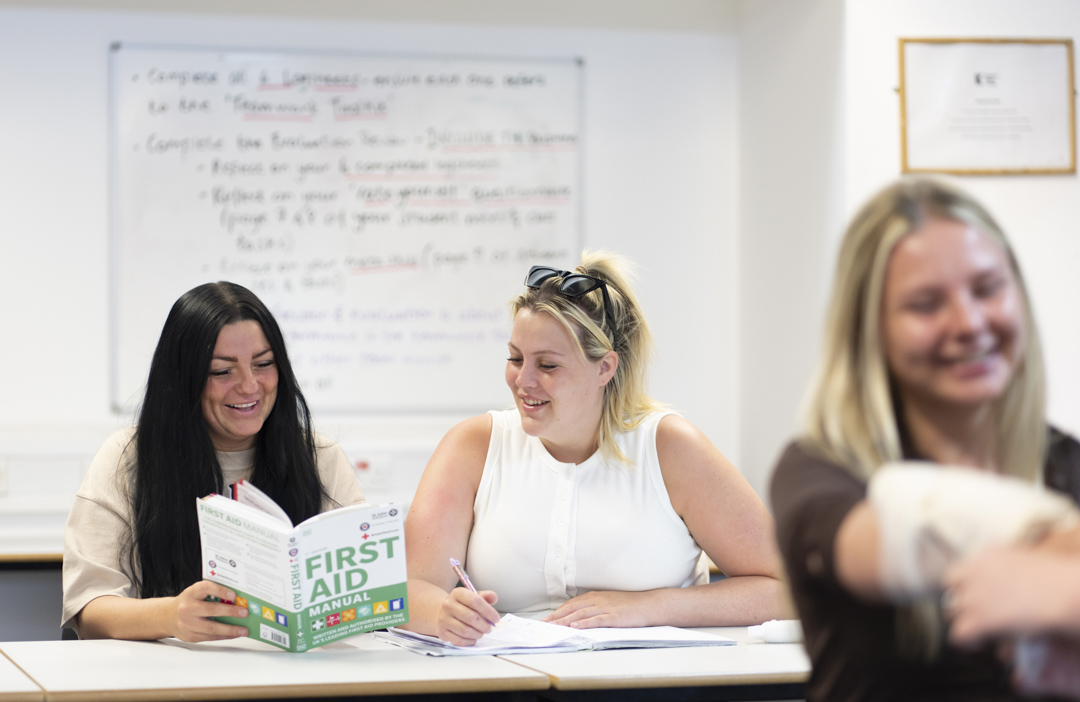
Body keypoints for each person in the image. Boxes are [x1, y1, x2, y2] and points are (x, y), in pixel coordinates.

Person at [770, 177, 1080, 702]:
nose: (969, 322)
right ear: (870, 329)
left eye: (987, 289)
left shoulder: (1065, 463)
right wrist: (1053, 550)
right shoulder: (822, 471)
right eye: (925, 304)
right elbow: (906, 534)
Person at [404, 251, 784, 646]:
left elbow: (788, 590)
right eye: (515, 358)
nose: (523, 380)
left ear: (605, 367)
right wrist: (442, 614)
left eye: (548, 365)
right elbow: (411, 589)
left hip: (652, 686)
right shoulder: (473, 446)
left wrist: (650, 607)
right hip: (510, 679)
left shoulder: (671, 448)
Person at [62, 282, 365, 642]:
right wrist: (171, 616)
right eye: (223, 371)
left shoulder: (320, 459)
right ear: (182, 380)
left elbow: (365, 585)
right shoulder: (128, 458)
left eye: (264, 364)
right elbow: (90, 608)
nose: (250, 386)